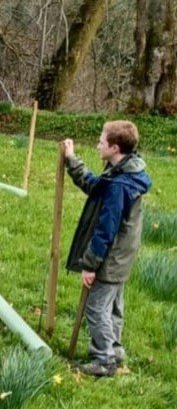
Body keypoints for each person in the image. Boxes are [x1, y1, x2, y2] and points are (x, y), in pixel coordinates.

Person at [63, 121, 151, 378]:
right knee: (114, 305)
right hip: (123, 255)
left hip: (112, 257)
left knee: (97, 307)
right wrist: (71, 160)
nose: (97, 144)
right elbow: (94, 185)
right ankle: (115, 350)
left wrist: (90, 264)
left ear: (114, 147)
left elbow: (106, 230)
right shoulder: (123, 172)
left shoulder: (120, 185)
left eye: (101, 141)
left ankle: (104, 360)